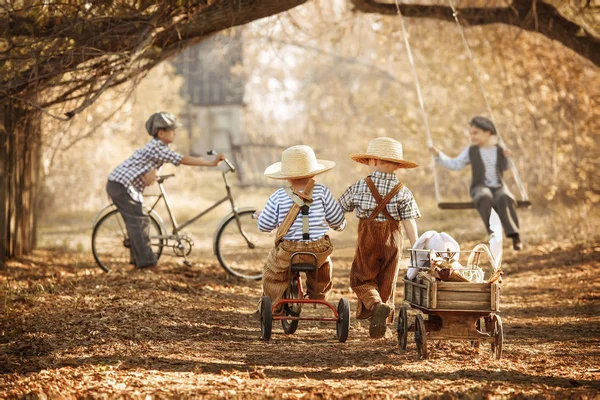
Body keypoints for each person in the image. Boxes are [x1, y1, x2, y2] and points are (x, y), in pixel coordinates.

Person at [106, 111, 226, 270]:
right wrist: (210, 163)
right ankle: (146, 264)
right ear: (161, 133)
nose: (175, 133)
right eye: (171, 130)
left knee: (136, 221)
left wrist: (154, 172)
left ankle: (138, 261)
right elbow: (182, 159)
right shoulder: (157, 147)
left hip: (123, 185)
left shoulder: (159, 147)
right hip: (120, 185)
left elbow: (151, 168)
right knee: (139, 221)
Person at [339, 137, 420, 338]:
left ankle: (375, 305)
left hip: (368, 238)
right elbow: (409, 223)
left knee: (361, 277)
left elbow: (339, 209)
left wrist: (332, 226)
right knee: (387, 280)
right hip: (393, 240)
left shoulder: (360, 186)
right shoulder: (403, 191)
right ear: (397, 166)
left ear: (373, 161)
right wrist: (417, 249)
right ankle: (381, 322)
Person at [257, 145, 346, 314]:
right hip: (317, 249)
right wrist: (340, 226)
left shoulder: (278, 196)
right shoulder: (322, 192)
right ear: (313, 173)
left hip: (289, 250)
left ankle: (275, 303)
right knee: (323, 266)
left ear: (286, 176)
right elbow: (337, 219)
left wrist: (263, 217)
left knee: (273, 273)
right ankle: (318, 294)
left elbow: (264, 225)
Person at [429, 116, 522, 250]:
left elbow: (508, 167)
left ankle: (515, 236)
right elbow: (455, 164)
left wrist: (508, 157)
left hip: (498, 186)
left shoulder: (499, 149)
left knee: (505, 197)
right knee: (485, 196)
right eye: (471, 133)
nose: (472, 136)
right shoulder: (471, 151)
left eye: (475, 133)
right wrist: (439, 155)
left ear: (487, 133)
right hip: (480, 186)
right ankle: (494, 234)